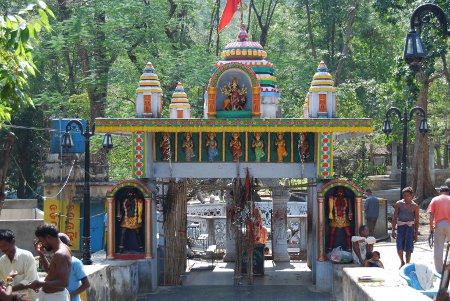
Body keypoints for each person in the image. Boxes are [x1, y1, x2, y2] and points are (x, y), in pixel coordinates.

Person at [35, 233, 90, 301]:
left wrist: (70, 295)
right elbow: (49, 271)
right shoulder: (57, 257)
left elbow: (86, 284)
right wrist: (42, 255)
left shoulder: (75, 262)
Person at [27, 224, 71, 300]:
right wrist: (42, 255)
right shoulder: (60, 251)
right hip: (50, 296)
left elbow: (64, 283)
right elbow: (50, 271)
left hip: (55, 297)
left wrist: (39, 283)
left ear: (48, 237)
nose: (42, 244)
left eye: (41, 241)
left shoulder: (60, 254)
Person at [0, 229, 38, 301]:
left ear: (13, 242)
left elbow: (30, 281)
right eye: (0, 246)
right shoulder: (2, 261)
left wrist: (9, 288)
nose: (2, 249)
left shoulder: (27, 256)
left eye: (4, 245)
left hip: (29, 298)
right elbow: (3, 283)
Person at [392, 186, 419, 268]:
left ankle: (407, 264)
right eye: (404, 195)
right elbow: (395, 217)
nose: (406, 197)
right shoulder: (398, 204)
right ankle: (402, 261)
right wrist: (393, 229)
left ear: (411, 196)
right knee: (399, 245)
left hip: (410, 228)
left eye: (408, 195)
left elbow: (417, 220)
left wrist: (416, 233)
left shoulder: (415, 206)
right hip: (400, 227)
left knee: (409, 247)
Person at [427, 185, 450, 273]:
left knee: (438, 247)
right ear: (448, 192)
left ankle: (439, 270)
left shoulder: (435, 199)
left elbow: (431, 215)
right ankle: (448, 266)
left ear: (439, 192)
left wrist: (431, 228)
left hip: (439, 225)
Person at [329, 187, 353, 251]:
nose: (340, 192)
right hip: (335, 218)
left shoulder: (347, 199)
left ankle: (349, 247)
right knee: (332, 234)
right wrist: (330, 213)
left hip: (344, 218)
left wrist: (350, 213)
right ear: (336, 192)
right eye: (339, 191)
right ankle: (330, 247)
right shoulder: (333, 199)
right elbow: (330, 208)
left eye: (341, 191)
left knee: (348, 234)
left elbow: (350, 210)